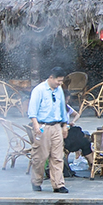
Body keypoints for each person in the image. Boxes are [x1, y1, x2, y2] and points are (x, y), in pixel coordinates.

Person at [27, 66, 69, 194]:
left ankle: (58, 184)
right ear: (51, 78)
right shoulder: (39, 90)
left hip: (56, 125)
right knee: (40, 157)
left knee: (57, 157)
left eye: (61, 81)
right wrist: (36, 126)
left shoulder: (59, 90)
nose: (60, 83)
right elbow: (32, 110)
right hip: (43, 126)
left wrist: (64, 125)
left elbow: (63, 108)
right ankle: (36, 181)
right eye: (58, 80)